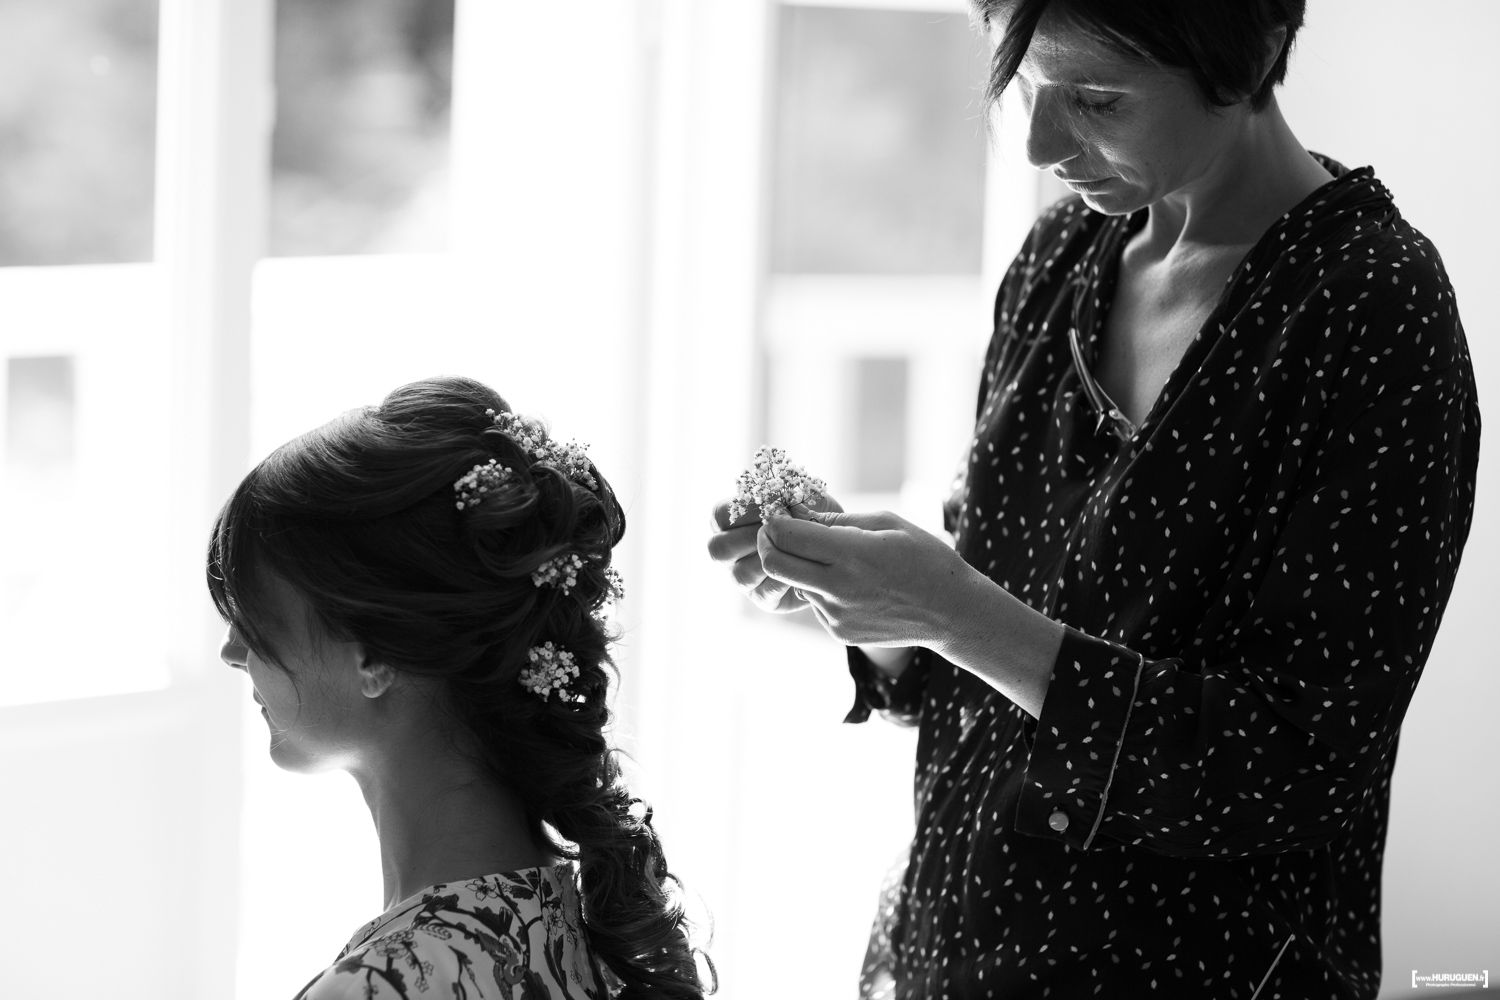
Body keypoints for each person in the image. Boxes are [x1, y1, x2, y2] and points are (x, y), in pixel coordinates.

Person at [708, 1, 1479, 997]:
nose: (1039, 144)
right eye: (1027, 85)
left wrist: (952, 609)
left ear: (1248, 56)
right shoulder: (1059, 258)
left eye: (1097, 100)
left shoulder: (1370, 308)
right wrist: (877, 607)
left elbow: (1296, 765)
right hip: (953, 949)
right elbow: (1000, 640)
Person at [211, 376, 710, 1000]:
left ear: (375, 653)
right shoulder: (574, 924)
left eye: (254, 618)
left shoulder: (382, 987)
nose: (232, 652)